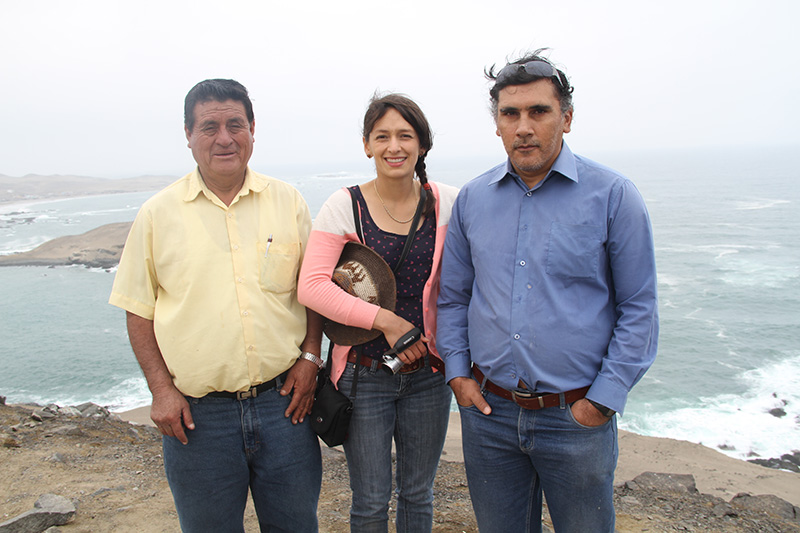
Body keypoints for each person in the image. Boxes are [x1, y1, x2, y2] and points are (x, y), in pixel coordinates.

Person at [437, 50, 659, 533]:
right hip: (488, 414)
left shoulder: (614, 195)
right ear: (496, 124)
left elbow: (639, 308)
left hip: (574, 418)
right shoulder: (473, 199)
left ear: (567, 118)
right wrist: (458, 376)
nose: (523, 127)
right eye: (509, 114)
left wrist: (600, 402)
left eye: (539, 111)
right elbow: (453, 297)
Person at [109, 79, 323, 532]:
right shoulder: (157, 214)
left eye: (235, 125)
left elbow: (313, 289)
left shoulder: (288, 202)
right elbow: (137, 308)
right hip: (198, 418)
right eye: (209, 127)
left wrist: (310, 357)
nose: (224, 138)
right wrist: (161, 390)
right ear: (188, 135)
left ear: (251, 130)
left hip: (284, 406)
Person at [297, 93, 458, 532]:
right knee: (369, 501)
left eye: (406, 136)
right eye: (382, 136)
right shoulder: (343, 205)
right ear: (367, 145)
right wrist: (386, 322)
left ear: (422, 145)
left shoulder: (447, 202)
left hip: (427, 374)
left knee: (417, 495)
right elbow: (311, 286)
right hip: (364, 376)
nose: (395, 147)